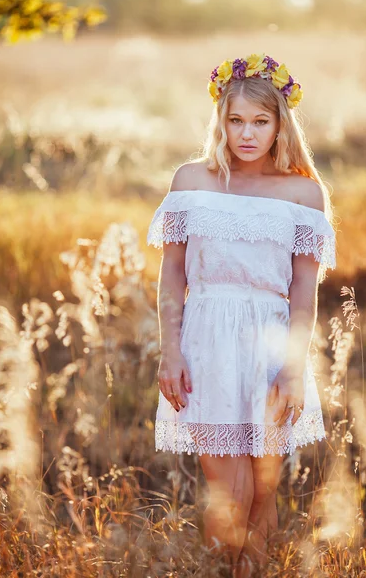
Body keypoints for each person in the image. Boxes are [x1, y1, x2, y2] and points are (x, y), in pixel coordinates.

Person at [147, 53, 336, 576]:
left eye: (259, 121)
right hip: (207, 341)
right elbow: (172, 276)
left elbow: (304, 290)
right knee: (227, 489)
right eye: (235, 121)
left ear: (280, 124)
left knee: (263, 489)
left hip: (273, 345)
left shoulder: (303, 192)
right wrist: (170, 351)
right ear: (220, 121)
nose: (246, 134)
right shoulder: (191, 182)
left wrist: (294, 368)